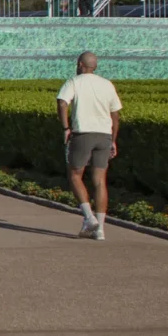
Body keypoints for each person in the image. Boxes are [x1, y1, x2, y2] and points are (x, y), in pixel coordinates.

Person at [55, 51, 122, 240]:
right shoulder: (107, 84)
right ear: (95, 66)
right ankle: (100, 229)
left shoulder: (74, 82)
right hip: (105, 135)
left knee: (75, 174)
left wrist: (65, 127)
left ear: (79, 64)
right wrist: (113, 139)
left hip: (83, 133)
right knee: (100, 180)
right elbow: (115, 115)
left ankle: (88, 217)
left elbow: (61, 102)